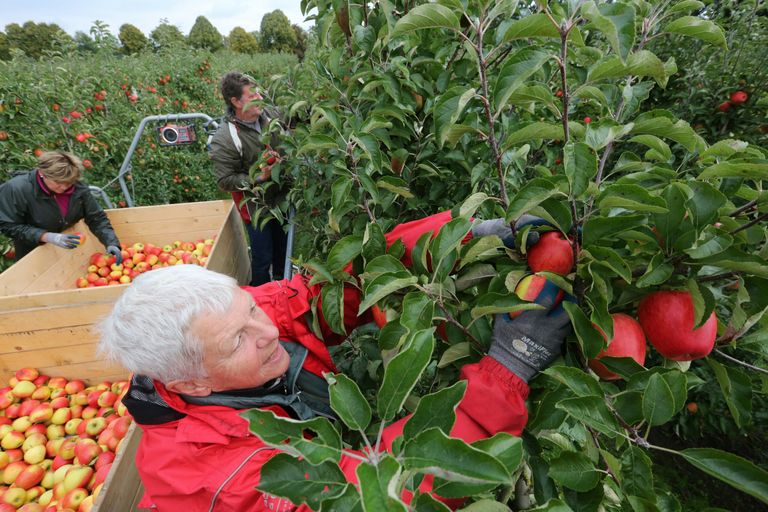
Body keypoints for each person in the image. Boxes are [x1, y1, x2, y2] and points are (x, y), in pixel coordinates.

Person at [98, 212, 571, 511]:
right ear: (193, 385)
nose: (267, 333)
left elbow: (339, 289)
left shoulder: (233, 319)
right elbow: (365, 496)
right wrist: (507, 368)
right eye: (237, 341)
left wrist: (457, 239)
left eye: (252, 310)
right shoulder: (212, 481)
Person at [209, 71, 288, 286]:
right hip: (255, 208)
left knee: (284, 250)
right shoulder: (225, 138)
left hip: (282, 198)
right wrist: (257, 177)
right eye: (252, 97)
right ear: (235, 102)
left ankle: (282, 291)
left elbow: (300, 115)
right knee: (263, 258)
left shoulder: (271, 116)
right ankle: (261, 301)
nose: (260, 99)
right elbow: (225, 180)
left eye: (260, 94)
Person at [0, 150, 122, 262]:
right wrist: (45, 236)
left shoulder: (78, 189)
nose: (64, 187)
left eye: (69, 182)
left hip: (66, 256)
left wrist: (111, 242)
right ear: (42, 173)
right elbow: (7, 225)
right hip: (34, 257)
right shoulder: (17, 189)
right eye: (58, 182)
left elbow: (96, 217)